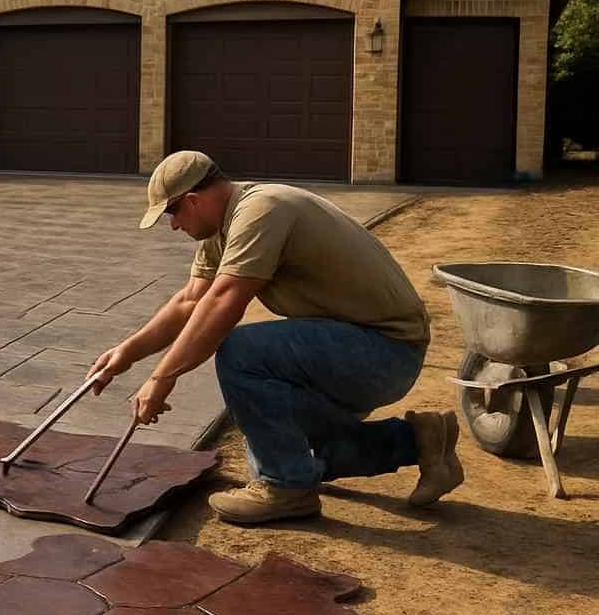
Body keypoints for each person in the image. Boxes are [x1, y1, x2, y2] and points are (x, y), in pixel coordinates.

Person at [89, 150, 463, 524]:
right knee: (276, 448)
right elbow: (190, 300)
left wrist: (162, 378)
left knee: (240, 351)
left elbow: (223, 302)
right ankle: (421, 440)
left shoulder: (262, 210)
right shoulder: (223, 229)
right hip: (356, 350)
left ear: (192, 200)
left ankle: (288, 490)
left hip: (386, 353)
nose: (173, 226)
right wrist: (126, 353)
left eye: (172, 213)